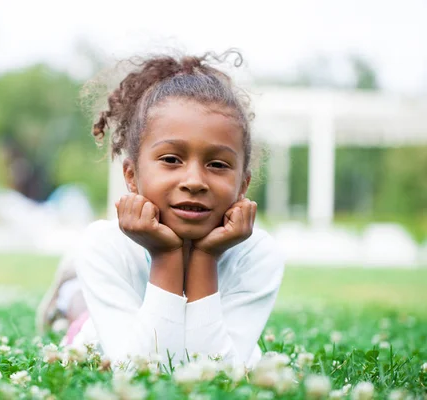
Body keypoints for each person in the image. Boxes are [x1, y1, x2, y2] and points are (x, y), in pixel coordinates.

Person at [36, 52, 285, 368]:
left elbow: (216, 374)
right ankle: (70, 291)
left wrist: (205, 259)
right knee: (80, 316)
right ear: (131, 177)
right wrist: (167, 256)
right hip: (97, 331)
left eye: (218, 164)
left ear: (243, 184)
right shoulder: (103, 245)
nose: (194, 181)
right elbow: (141, 370)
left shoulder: (257, 255)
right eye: (171, 160)